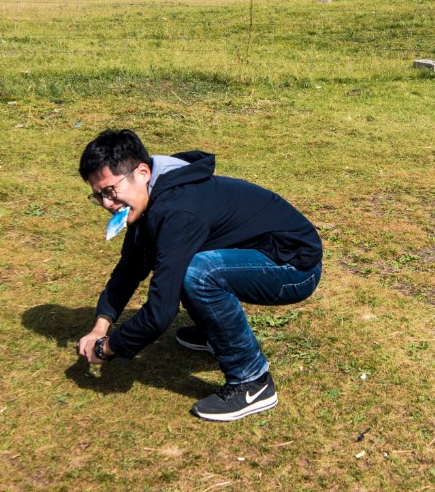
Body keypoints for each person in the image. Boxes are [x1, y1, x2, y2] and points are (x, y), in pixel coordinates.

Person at [76, 128, 321, 421]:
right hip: (260, 253)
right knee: (182, 262)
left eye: (109, 191)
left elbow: (160, 313)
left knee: (197, 273)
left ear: (142, 172)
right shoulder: (152, 194)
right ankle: (217, 334)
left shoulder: (177, 210)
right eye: (98, 196)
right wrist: (101, 325)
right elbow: (130, 267)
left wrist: (110, 347)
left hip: (293, 266)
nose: (106, 204)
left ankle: (252, 382)